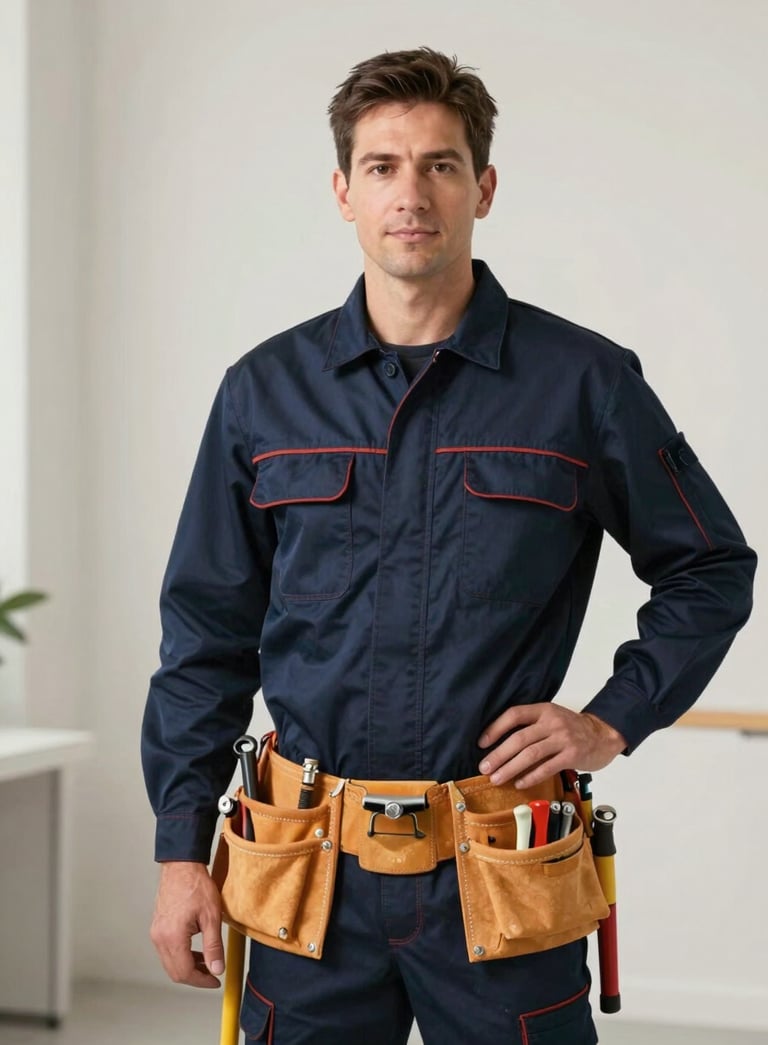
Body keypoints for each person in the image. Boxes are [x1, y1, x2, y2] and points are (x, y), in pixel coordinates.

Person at [141, 47, 756, 1044]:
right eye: (382, 166)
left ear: (485, 186)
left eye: (440, 164)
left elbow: (712, 564)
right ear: (343, 191)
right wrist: (179, 852)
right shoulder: (262, 393)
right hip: (308, 879)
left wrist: (612, 718)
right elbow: (205, 635)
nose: (411, 193)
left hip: (503, 871)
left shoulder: (584, 382)